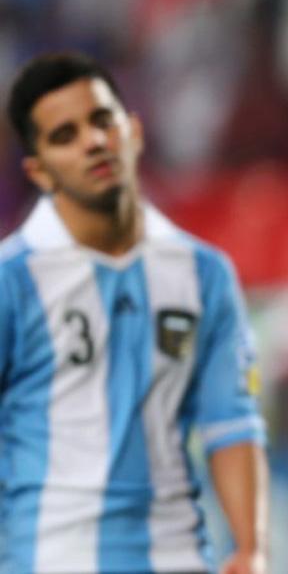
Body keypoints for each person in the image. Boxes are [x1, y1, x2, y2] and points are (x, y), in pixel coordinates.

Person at [0, 52, 269, 574]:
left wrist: (250, 547)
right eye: (64, 135)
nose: (93, 141)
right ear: (39, 171)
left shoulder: (203, 273)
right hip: (46, 559)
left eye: (103, 120)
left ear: (135, 131)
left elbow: (231, 423)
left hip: (175, 557)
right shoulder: (11, 279)